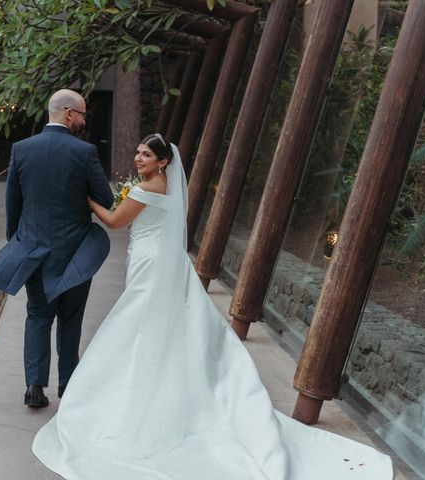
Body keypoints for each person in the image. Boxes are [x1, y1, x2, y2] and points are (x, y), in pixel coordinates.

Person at [32, 134, 393, 479]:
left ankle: (142, 390)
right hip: (159, 260)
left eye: (146, 154)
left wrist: (86, 201)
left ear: (163, 162)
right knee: (156, 324)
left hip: (150, 264)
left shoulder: (145, 189)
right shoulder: (167, 187)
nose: (138, 158)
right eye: (138, 152)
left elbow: (113, 221)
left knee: (135, 324)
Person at [0, 89, 113, 408]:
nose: (83, 120)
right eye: (82, 115)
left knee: (37, 315)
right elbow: (105, 199)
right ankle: (67, 385)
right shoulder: (85, 152)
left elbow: (12, 204)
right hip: (76, 253)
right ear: (68, 113)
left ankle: (34, 388)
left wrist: (17, 246)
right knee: (70, 318)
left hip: (33, 252)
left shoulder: (21, 149)